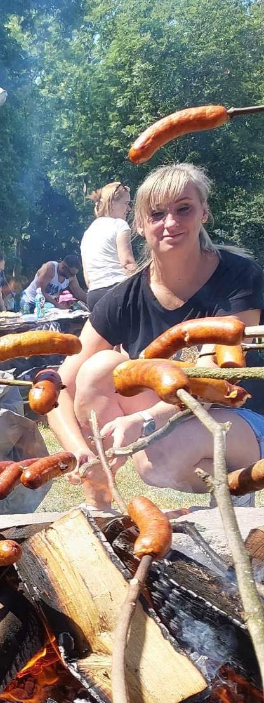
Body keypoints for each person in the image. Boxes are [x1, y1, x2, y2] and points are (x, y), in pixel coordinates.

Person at [47, 162, 264, 508]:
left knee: (157, 455)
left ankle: (235, 499)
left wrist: (143, 421)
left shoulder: (239, 276)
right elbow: (58, 386)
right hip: (176, 419)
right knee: (99, 368)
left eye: (184, 209)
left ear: (204, 212)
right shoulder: (125, 296)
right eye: (157, 213)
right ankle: (99, 507)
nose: (171, 223)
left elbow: (215, 383)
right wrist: (78, 449)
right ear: (139, 224)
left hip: (246, 419)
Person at [80, 181, 136, 313]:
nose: (129, 209)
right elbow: (127, 262)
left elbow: (87, 279)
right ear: (112, 202)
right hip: (118, 292)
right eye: (126, 204)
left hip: (94, 296)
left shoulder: (88, 233)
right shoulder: (119, 225)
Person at [21, 254, 87, 311]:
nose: (72, 276)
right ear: (63, 267)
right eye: (71, 274)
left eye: (74, 274)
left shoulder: (71, 277)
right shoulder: (50, 268)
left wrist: (93, 302)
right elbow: (40, 291)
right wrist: (57, 305)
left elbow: (79, 293)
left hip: (44, 305)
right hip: (29, 300)